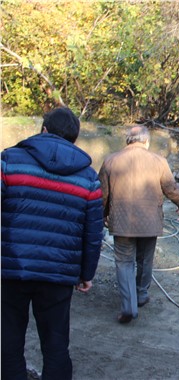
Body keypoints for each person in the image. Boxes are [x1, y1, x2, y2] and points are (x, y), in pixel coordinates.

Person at [1, 107, 103, 380]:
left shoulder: (9, 161)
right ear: (74, 139)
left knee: (9, 343)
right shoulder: (88, 177)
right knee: (56, 344)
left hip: (11, 269)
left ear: (43, 129)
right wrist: (86, 273)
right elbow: (93, 232)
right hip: (58, 274)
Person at [98, 125, 179, 323]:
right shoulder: (158, 161)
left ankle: (128, 306)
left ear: (127, 141)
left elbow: (102, 195)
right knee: (145, 259)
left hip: (122, 222)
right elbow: (171, 188)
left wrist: (103, 215)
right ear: (146, 142)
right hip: (150, 222)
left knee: (124, 262)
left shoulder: (111, 161)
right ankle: (141, 295)